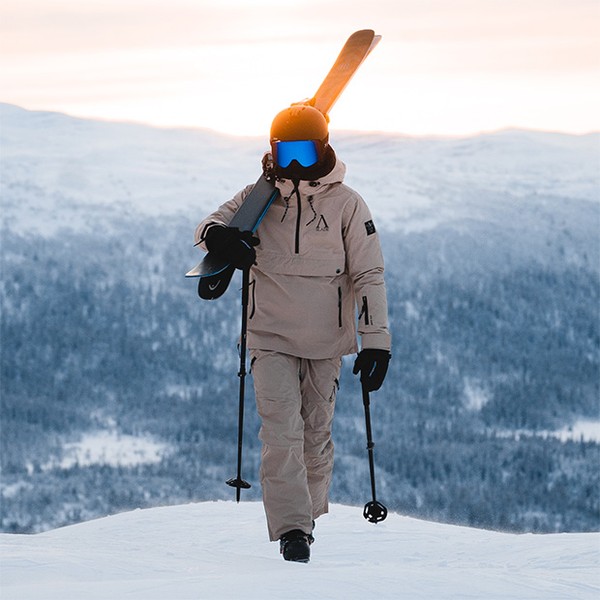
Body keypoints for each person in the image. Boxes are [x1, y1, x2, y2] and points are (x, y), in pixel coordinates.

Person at [194, 104, 391, 563]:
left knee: (315, 435)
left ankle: (307, 512)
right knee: (281, 433)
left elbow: (368, 274)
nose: (296, 164)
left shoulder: (347, 203)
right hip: (269, 336)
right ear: (272, 152)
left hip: (327, 341)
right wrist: (221, 238)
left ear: (322, 148)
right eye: (287, 152)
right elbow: (207, 227)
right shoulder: (259, 197)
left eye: (305, 151)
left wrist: (376, 340)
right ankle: (293, 530)